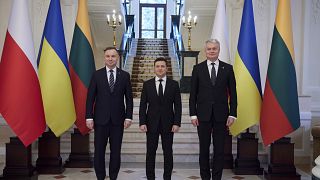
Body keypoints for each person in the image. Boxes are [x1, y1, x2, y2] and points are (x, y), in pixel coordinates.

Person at [189, 39, 237, 180]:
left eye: (214, 48)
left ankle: (216, 178)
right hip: (202, 115)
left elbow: (233, 93)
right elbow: (193, 94)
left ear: (218, 50)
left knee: (219, 150)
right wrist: (193, 114)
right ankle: (205, 177)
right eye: (209, 49)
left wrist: (233, 114)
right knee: (203, 149)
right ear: (205, 51)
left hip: (221, 116)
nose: (211, 51)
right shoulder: (197, 69)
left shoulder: (227, 68)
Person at [85, 47, 133, 180]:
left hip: (118, 121)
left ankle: (113, 177)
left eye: (113, 56)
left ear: (117, 58)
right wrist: (89, 116)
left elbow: (129, 98)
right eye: (108, 56)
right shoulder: (96, 75)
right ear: (104, 57)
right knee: (99, 151)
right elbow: (90, 98)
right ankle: (100, 177)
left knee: (116, 152)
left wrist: (128, 117)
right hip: (100, 120)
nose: (110, 59)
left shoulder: (125, 75)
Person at [139, 57, 182, 180]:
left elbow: (178, 106)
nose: (160, 68)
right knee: (150, 152)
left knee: (168, 152)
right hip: (151, 123)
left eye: (162, 66)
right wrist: (142, 122)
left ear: (166, 68)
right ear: (154, 68)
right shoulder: (147, 84)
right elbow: (143, 105)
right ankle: (150, 177)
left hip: (169, 124)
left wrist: (177, 123)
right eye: (157, 66)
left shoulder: (174, 85)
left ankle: (167, 177)